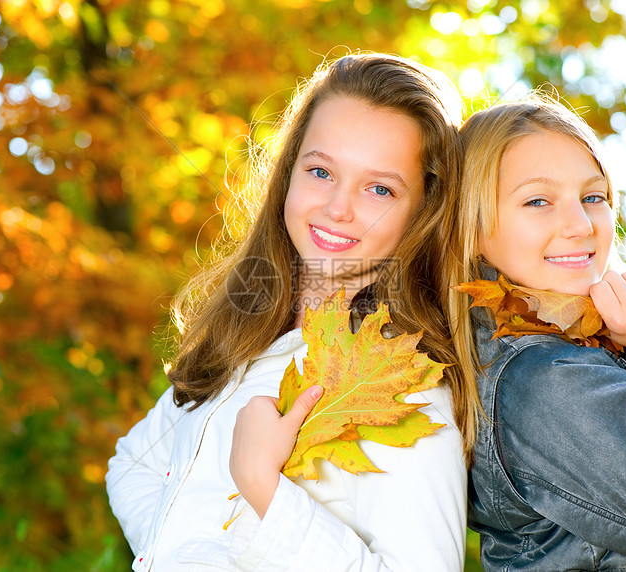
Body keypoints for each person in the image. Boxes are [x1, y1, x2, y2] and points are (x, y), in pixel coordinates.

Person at [106, 52, 480, 571]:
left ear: (425, 211)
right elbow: (131, 466)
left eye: (379, 189)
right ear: (288, 173)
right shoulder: (248, 336)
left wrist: (265, 489)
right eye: (321, 171)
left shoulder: (402, 386)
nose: (337, 208)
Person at [449, 94, 626, 571]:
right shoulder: (541, 378)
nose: (581, 225)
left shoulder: (580, 348)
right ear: (471, 225)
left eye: (593, 197)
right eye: (538, 201)